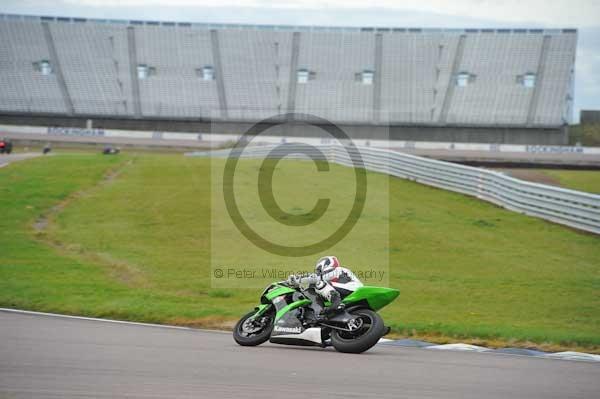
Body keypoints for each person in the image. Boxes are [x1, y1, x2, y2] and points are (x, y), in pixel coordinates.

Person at [287, 256, 363, 318]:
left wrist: (296, 279)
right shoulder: (338, 273)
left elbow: (315, 278)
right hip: (347, 291)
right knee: (314, 287)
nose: (317, 270)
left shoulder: (336, 269)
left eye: (318, 269)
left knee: (318, 283)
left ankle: (336, 303)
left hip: (350, 288)